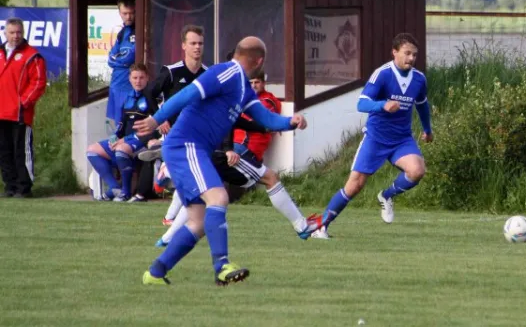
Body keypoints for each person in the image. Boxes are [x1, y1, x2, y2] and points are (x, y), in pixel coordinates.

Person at [133, 36, 320, 286]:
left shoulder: (243, 86)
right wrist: (156, 120)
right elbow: (188, 93)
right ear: (260, 60)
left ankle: (155, 273)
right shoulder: (226, 72)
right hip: (185, 144)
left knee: (198, 223)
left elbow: (265, 119)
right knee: (219, 198)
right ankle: (221, 266)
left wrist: (290, 122)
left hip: (195, 149)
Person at [313, 33, 433, 239]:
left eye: (414, 55)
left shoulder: (419, 79)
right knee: (355, 185)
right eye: (407, 53)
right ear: (394, 52)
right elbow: (362, 103)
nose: (411, 58)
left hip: (402, 139)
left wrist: (427, 129)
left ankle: (386, 196)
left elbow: (422, 105)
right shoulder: (382, 74)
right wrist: (382, 105)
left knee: (417, 170)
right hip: (376, 138)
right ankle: (321, 227)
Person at [154, 121, 318, 247]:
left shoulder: (216, 92)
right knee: (270, 177)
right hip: (220, 155)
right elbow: (228, 122)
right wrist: (227, 149)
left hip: (202, 153)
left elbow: (240, 121)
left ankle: (166, 239)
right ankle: (301, 226)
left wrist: (272, 126)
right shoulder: (227, 92)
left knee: (200, 201)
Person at [128, 24, 207, 202]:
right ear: (183, 46)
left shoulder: (207, 74)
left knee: (192, 172)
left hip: (197, 131)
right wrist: (159, 119)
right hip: (174, 130)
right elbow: (149, 93)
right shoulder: (171, 72)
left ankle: (165, 165)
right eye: (193, 43)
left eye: (200, 43)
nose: (197, 47)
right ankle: (161, 171)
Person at [87, 64, 157, 202]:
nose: (138, 81)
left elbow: (155, 127)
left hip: (142, 140)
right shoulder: (128, 98)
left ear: (147, 78)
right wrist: (115, 137)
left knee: (121, 149)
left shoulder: (152, 98)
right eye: (135, 78)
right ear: (129, 79)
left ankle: (125, 192)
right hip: (125, 140)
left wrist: (124, 140)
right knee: (92, 150)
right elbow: (122, 124)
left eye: (141, 78)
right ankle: (114, 187)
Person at [0, 17, 47, 198]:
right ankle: (9, 186)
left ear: (23, 33)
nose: (15, 36)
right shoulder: (1, 52)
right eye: (12, 32)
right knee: (4, 151)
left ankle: (24, 187)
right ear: (5, 33)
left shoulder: (32, 56)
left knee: (22, 151)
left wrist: (23, 103)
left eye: (19, 32)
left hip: (19, 113)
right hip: (1, 111)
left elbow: (38, 83)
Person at [233, 69, 281, 161]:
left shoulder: (267, 100)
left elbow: (251, 121)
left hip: (250, 145)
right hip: (238, 141)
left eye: (257, 82)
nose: (253, 86)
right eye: (251, 83)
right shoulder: (246, 98)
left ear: (263, 83)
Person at [106, 0, 136, 122]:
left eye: (132, 13)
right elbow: (110, 58)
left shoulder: (138, 30)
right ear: (119, 13)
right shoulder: (122, 32)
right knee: (117, 125)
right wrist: (119, 60)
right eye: (125, 13)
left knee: (127, 125)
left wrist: (117, 59)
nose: (128, 17)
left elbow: (129, 56)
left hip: (128, 86)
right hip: (116, 84)